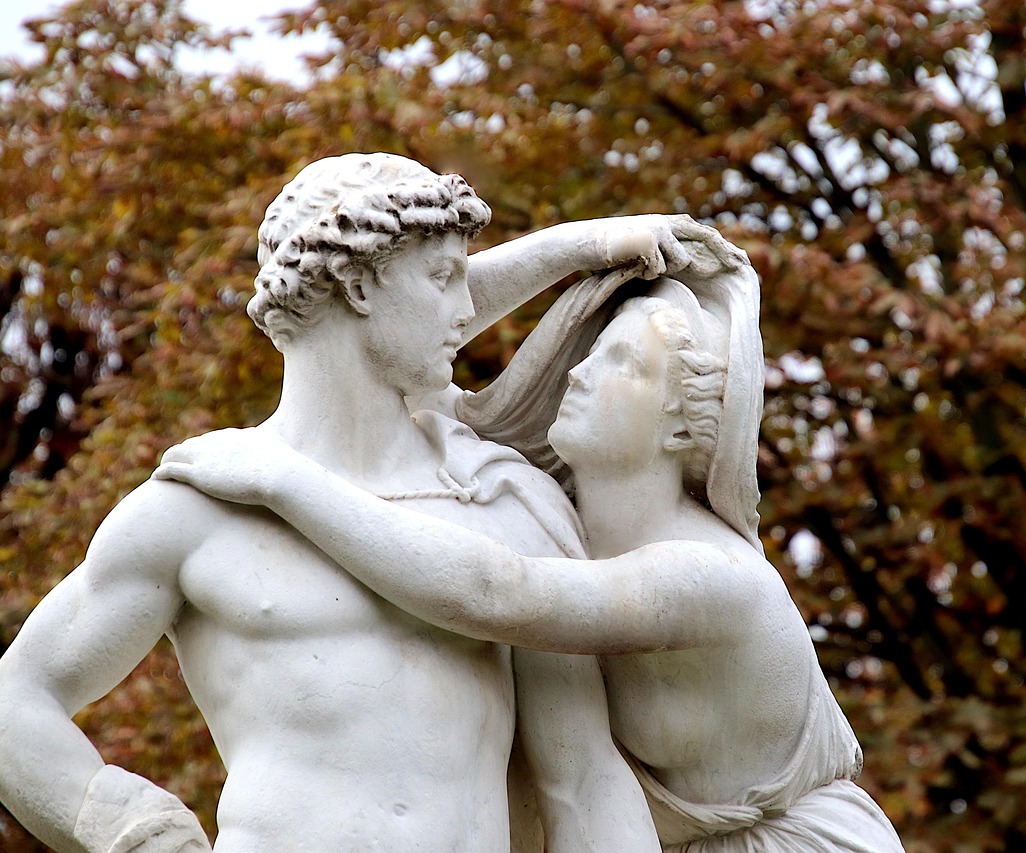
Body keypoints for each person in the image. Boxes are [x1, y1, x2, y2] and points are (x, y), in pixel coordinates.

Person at [0, 152, 731, 851]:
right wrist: (131, 826)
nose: (468, 303)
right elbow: (14, 703)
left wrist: (596, 243)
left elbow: (583, 783)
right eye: (443, 276)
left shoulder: (508, 503)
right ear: (357, 286)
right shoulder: (201, 505)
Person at [155, 250, 907, 851]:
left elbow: (500, 595)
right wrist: (586, 247)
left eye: (623, 365)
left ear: (686, 428)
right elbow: (392, 326)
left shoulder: (708, 573)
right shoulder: (541, 507)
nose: (578, 373)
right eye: (593, 354)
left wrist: (287, 482)